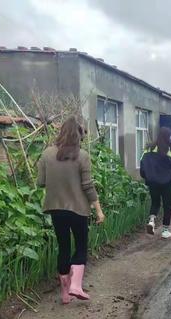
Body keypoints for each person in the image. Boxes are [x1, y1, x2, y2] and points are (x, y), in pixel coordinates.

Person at [37, 116, 105, 304]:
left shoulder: (46, 154)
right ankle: (76, 284)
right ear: (79, 135)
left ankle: (65, 294)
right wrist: (99, 210)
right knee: (81, 246)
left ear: (61, 132)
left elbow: (41, 182)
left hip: (56, 208)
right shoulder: (82, 156)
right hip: (78, 209)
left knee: (64, 247)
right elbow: (88, 186)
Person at [140, 127, 171, 239]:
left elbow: (143, 166)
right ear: (168, 137)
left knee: (155, 202)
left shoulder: (149, 149)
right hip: (167, 184)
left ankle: (151, 221)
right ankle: (165, 230)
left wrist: (147, 177)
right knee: (167, 206)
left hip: (153, 183)